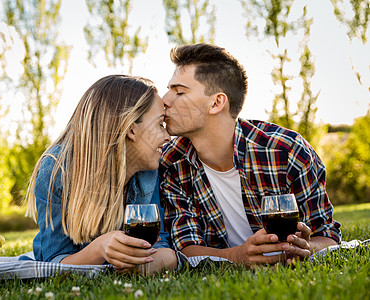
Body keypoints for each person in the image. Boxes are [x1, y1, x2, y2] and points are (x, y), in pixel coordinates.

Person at [159, 43, 341, 267]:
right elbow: (186, 247)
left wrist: (300, 248)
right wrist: (237, 257)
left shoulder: (286, 151)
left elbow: (327, 236)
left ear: (216, 103)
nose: (164, 100)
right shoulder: (170, 162)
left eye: (179, 92)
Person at [26, 74, 177, 274]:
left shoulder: (147, 171)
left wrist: (138, 264)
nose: (168, 136)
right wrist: (100, 248)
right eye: (160, 124)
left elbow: (162, 249)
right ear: (131, 129)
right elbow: (54, 263)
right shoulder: (55, 171)